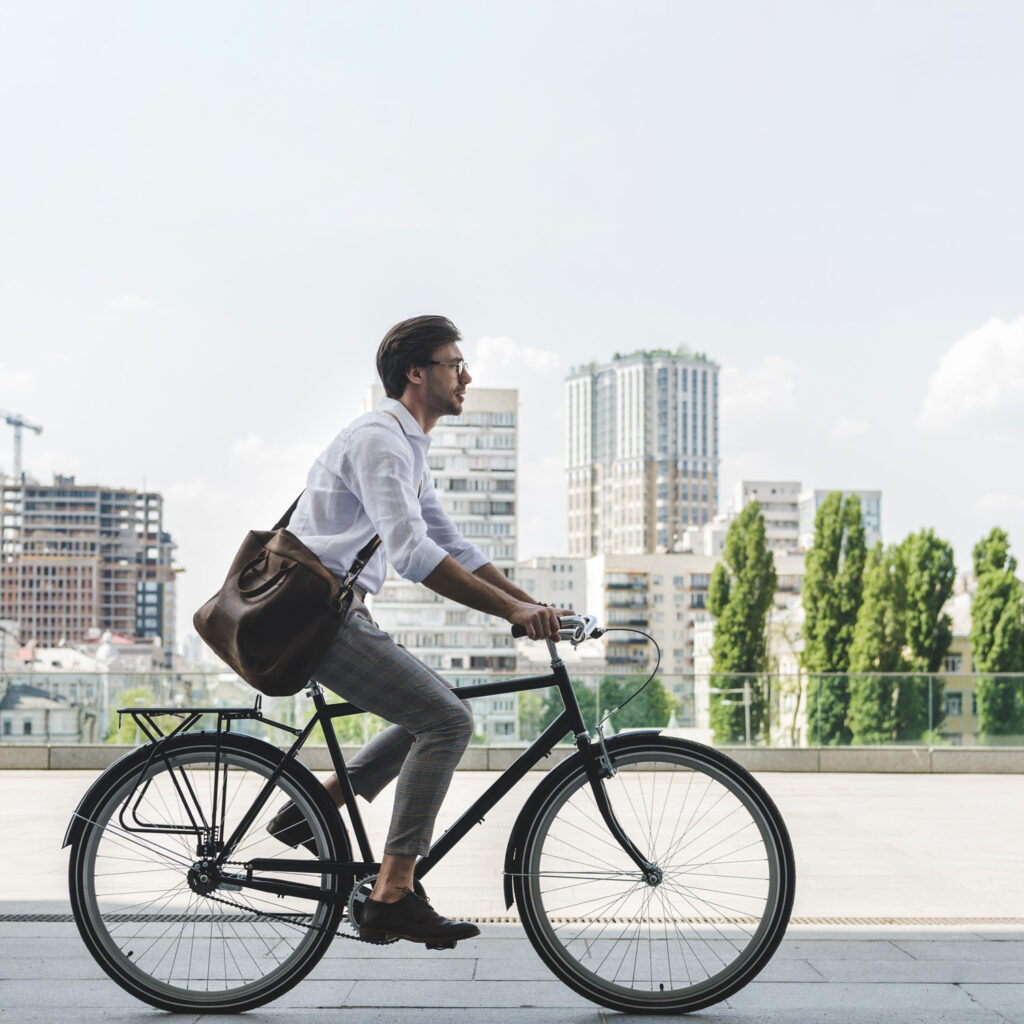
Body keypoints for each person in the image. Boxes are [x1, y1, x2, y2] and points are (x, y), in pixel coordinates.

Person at [267, 314, 567, 946]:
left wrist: (532, 605)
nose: (466, 375)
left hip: (337, 608)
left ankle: (314, 809)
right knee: (447, 721)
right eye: (454, 364)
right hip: (317, 615)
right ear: (417, 373)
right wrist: (511, 613)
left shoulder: (408, 446)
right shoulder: (380, 438)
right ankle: (393, 891)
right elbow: (410, 552)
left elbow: (450, 541)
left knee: (436, 708)